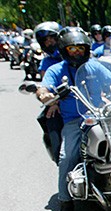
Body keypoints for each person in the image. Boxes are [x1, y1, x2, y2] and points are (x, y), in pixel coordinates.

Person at [36, 27, 111, 211]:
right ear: (64, 50)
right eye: (72, 49)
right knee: (67, 157)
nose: (77, 52)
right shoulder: (57, 69)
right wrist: (45, 95)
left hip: (100, 115)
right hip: (75, 120)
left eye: (80, 48)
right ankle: (65, 202)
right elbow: (43, 88)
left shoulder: (94, 66)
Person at [34, 21, 63, 164]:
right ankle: (62, 164)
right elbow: (45, 85)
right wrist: (51, 100)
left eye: (52, 38)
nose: (49, 42)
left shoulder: (77, 54)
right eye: (45, 40)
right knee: (52, 119)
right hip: (59, 102)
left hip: (85, 100)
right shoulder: (47, 63)